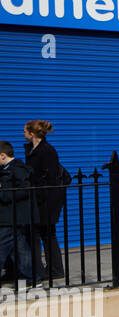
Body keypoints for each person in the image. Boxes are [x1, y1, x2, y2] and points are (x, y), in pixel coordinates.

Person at [23, 120, 66, 279]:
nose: (23, 133)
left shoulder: (47, 151)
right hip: (38, 199)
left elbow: (50, 178)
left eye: (25, 131)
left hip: (46, 200)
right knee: (42, 233)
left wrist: (36, 192)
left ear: (32, 133)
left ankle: (54, 269)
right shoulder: (32, 150)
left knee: (47, 234)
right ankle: (45, 268)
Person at [0, 141, 41, 283]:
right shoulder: (7, 169)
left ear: (3, 155)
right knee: (19, 248)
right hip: (9, 217)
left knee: (4, 245)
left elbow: (23, 190)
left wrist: (3, 194)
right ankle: (32, 276)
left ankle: (32, 276)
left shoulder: (17, 169)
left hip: (12, 217)